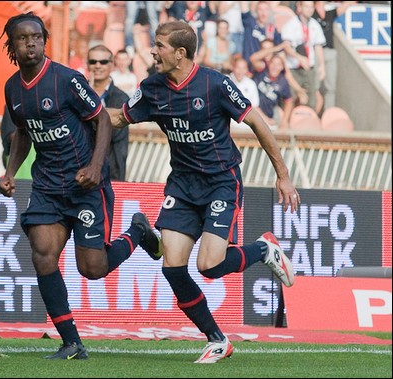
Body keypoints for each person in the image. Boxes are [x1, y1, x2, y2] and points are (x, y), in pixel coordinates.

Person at [108, 20, 299, 364]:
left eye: (160, 46)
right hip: (182, 185)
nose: (153, 51)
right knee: (173, 269)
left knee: (209, 266)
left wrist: (283, 176)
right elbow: (118, 119)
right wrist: (79, 116)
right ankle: (217, 339)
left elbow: (257, 122)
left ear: (180, 53)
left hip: (221, 183)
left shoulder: (215, 85)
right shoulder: (151, 88)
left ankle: (263, 250)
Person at [0, 12, 161, 360]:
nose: (31, 43)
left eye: (37, 37)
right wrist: (11, 172)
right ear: (11, 45)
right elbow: (24, 132)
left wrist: (96, 165)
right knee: (43, 256)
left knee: (93, 269)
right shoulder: (13, 88)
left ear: (44, 41)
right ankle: (71, 342)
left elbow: (102, 118)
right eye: (23, 38)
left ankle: (137, 231)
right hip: (47, 186)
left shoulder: (66, 80)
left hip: (86, 184)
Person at [88, 44, 130, 182]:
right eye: (93, 61)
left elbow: (113, 133)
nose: (98, 66)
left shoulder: (121, 98)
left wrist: (91, 104)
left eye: (103, 62)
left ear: (112, 65)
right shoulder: (76, 94)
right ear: (87, 64)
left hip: (111, 172)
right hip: (81, 170)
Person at [281, 1, 326, 112]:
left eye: (311, 7)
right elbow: (286, 47)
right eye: (306, 6)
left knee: (311, 99)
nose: (309, 9)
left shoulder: (315, 25)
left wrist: (322, 65)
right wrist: (299, 57)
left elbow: (318, 46)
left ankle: (308, 125)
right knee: (291, 97)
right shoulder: (291, 24)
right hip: (294, 68)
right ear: (300, 7)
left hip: (308, 68)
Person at [312, 0, 356, 112]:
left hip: (330, 51)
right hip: (316, 51)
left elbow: (340, 9)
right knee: (314, 85)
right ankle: (313, 111)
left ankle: (328, 112)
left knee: (330, 86)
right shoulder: (312, 14)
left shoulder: (329, 14)